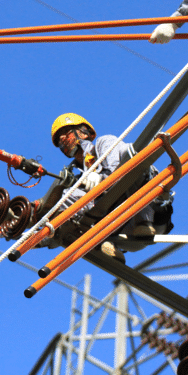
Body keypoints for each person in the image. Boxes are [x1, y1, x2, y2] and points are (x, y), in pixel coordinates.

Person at [39, 113, 173, 263]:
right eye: (59, 141)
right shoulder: (78, 179)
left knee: (132, 158)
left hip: (151, 212)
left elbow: (121, 169)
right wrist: (37, 235)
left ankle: (141, 222)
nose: (63, 140)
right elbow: (60, 212)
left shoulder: (104, 144)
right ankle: (105, 243)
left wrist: (100, 178)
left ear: (83, 131)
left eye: (66, 133)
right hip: (122, 231)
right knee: (71, 200)